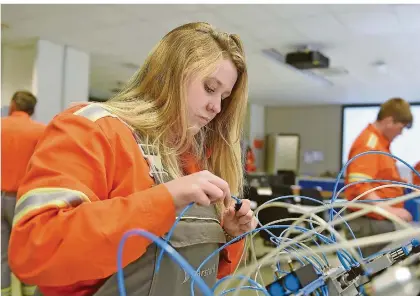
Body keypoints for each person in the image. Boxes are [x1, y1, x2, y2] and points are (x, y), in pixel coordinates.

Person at [8, 22, 257, 296]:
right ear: (170, 75)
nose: (217, 107)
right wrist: (164, 200)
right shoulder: (93, 129)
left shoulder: (193, 160)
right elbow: (37, 252)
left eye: (224, 97)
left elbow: (195, 279)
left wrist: (228, 235)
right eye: (210, 88)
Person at [345, 97, 414, 257]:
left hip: (376, 223)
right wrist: (390, 210)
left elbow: (375, 178)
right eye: (400, 127)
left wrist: (395, 184)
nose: (401, 133)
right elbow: (359, 185)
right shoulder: (369, 143)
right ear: (389, 121)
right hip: (370, 224)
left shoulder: (380, 144)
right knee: (374, 276)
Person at [1, 91, 46, 296]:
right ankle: (30, 292)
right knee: (27, 253)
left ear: (12, 105)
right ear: (32, 110)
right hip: (24, 202)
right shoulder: (41, 132)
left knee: (0, 254)